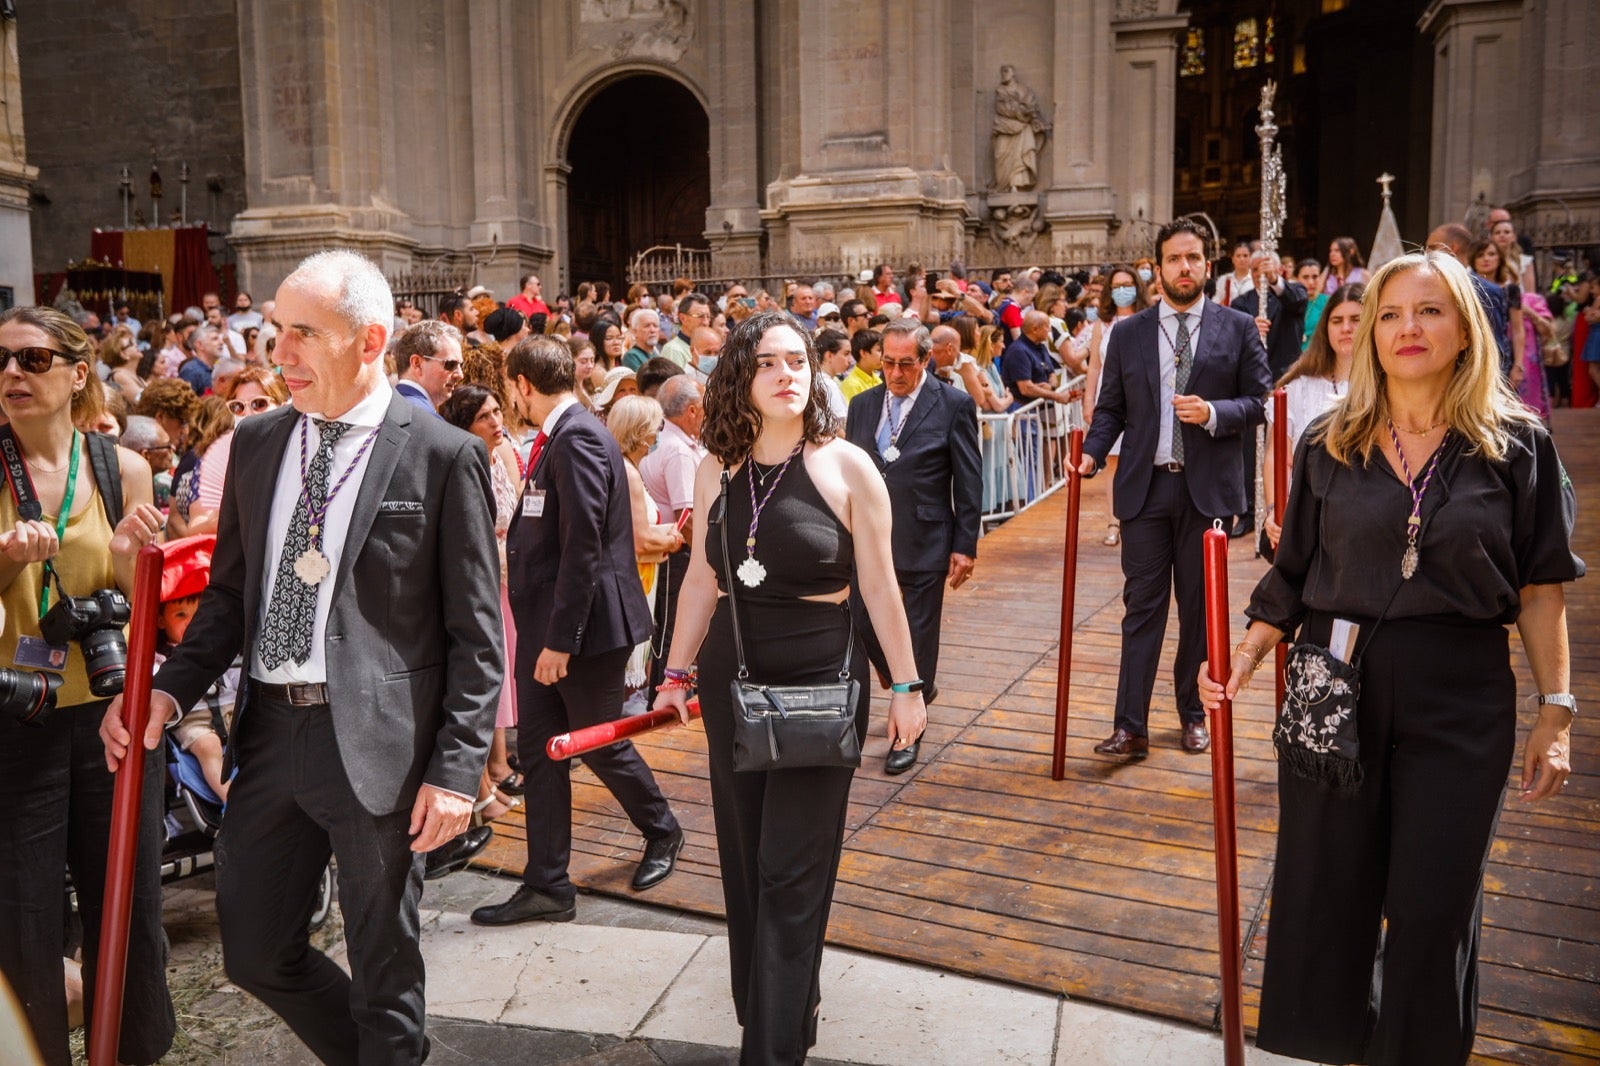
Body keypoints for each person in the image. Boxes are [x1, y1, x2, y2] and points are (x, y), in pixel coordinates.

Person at [100, 250, 504, 1065]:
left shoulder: (439, 454)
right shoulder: (255, 442)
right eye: (275, 331)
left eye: (303, 334)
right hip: (272, 738)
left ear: (370, 340)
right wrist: (166, 693)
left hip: (381, 748)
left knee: (385, 970)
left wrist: (458, 772)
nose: (277, 353)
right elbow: (228, 598)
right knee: (253, 951)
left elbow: (477, 637)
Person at [1199, 249, 1582, 1065]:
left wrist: (1558, 710)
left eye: (1431, 310)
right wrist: (1244, 654)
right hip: (1335, 684)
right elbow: (1295, 569)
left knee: (1432, 908)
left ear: (1465, 328)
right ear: (1367, 332)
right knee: (1327, 895)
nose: (1409, 328)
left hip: (1460, 696)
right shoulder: (1328, 442)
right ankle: (1334, 1049)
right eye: (1392, 313)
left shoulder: (1517, 447)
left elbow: (1543, 586)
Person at [653, 311, 926, 1063]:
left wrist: (906, 684)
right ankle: (775, 1017)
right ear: (741, 376)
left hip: (818, 683)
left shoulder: (847, 466)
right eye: (768, 362)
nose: (787, 374)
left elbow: (879, 585)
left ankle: (769, 1052)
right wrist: (673, 674)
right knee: (746, 867)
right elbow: (703, 580)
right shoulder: (717, 466)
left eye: (798, 361)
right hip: (732, 678)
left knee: (791, 873)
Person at [0, 306, 171, 1066]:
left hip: (112, 724)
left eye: (32, 361)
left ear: (77, 376)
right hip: (16, 725)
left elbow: (142, 609)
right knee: (24, 922)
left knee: (127, 911)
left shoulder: (119, 468)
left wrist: (136, 556)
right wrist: (7, 561)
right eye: (1, 362)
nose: (11, 374)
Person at [473, 335, 684, 928]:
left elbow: (584, 543)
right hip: (550, 627)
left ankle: (664, 831)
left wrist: (560, 642)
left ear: (521, 385)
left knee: (599, 742)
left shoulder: (579, 436)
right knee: (543, 756)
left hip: (582, 632)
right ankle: (547, 884)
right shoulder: (561, 435)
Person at [1078, 217, 1272, 758]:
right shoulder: (1130, 332)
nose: (1183, 268)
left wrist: (1212, 412)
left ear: (1206, 266)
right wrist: (1094, 453)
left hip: (1207, 491)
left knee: (1197, 610)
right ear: (1157, 269)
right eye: (1173, 259)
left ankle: (1192, 714)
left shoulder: (1236, 328)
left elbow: (1260, 403)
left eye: (1192, 258)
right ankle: (1130, 726)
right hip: (1144, 490)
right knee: (1142, 606)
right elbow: (1112, 406)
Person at [844, 319, 981, 775]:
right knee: (862, 619)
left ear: (926, 359)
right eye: (888, 363)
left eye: (906, 363)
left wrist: (965, 544)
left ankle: (907, 731)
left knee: (919, 633)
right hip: (868, 537)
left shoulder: (954, 404)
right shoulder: (862, 405)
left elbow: (969, 477)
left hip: (926, 534)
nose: (896, 373)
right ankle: (915, 686)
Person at [439, 383, 528, 821]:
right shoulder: (461, 463)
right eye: (483, 417)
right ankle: (486, 775)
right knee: (486, 669)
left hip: (509, 576)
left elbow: (520, 509)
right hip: (481, 578)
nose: (496, 423)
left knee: (504, 669)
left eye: (497, 413)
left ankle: (498, 762)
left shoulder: (504, 454)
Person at [1262, 283, 1364, 551]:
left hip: (1368, 519)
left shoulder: (1391, 386)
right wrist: (1276, 508)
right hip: (1308, 516)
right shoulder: (1299, 387)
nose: (1346, 328)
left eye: (1356, 319)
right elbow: (1278, 455)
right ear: (1325, 328)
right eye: (1337, 320)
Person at [606, 395, 686, 693]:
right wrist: (672, 538)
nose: (659, 435)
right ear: (642, 433)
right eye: (656, 428)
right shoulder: (628, 473)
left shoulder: (627, 468)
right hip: (636, 579)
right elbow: (638, 539)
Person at [1084, 265, 1147, 547]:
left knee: (1139, 458)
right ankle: (1113, 520)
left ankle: (1137, 517)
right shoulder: (1103, 324)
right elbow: (1094, 367)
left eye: (1127, 284)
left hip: (1140, 397)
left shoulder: (1148, 317)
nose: (1123, 290)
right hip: (1109, 398)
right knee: (1112, 462)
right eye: (1117, 285)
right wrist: (1089, 402)